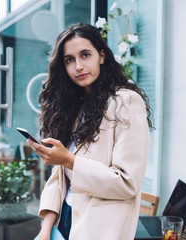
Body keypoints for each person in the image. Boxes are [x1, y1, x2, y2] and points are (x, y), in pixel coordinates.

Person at [26, 23, 153, 240]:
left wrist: (69, 160)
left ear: (101, 56)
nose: (78, 66)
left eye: (85, 55)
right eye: (69, 60)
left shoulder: (126, 101)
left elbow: (127, 182)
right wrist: (45, 230)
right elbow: (60, 180)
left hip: (99, 230)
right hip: (62, 222)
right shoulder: (77, 107)